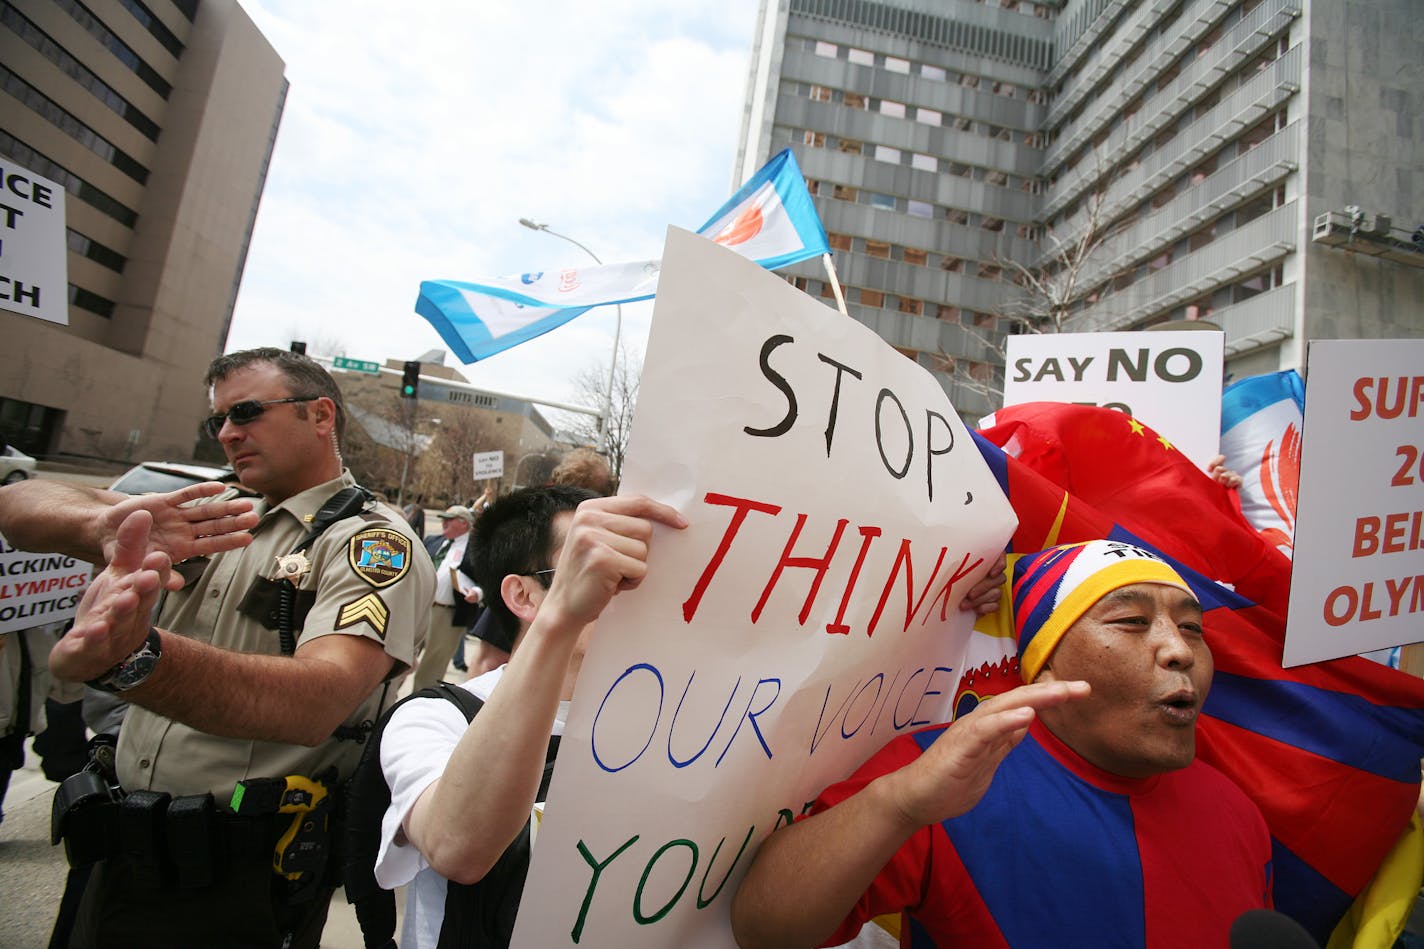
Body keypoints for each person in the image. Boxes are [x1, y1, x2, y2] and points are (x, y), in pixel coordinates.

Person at [4, 347, 434, 948]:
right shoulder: (205, 512)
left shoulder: (369, 543)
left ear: (320, 416)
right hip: (115, 847)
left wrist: (136, 660)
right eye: (218, 420)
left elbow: (317, 703)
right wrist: (99, 526)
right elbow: (18, 504)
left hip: (239, 879)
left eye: (248, 412)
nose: (228, 433)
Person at [731, 539, 1272, 949]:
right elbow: (766, 928)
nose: (1178, 650)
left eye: (1193, 628)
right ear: (1044, 665)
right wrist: (898, 804)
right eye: (1132, 621)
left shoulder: (1240, 814)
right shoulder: (947, 770)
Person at [374, 485, 685, 947]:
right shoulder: (435, 718)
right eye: (600, 571)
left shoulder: (678, 726)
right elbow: (457, 847)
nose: (624, 592)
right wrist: (562, 617)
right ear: (523, 595)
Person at [412, 505, 478, 690]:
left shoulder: (477, 549)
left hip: (447, 614)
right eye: (442, 518)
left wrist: (478, 593)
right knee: (402, 655)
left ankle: (417, 704)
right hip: (420, 608)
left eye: (449, 519)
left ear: (464, 523)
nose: (444, 522)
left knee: (432, 666)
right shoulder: (433, 541)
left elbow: (489, 581)